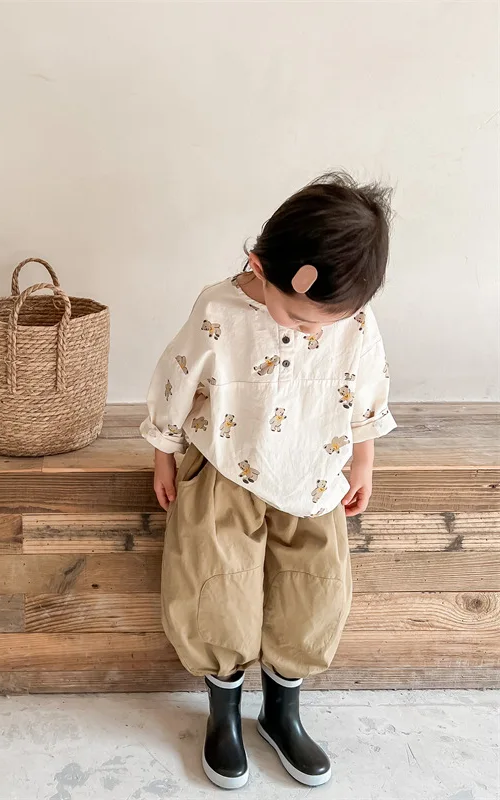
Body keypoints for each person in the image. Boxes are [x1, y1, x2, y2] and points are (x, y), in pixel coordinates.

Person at [140, 172, 395, 789]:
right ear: (259, 266)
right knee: (215, 588)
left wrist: (363, 460)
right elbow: (178, 378)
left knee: (314, 592)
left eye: (329, 321)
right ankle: (223, 714)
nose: (315, 331)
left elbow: (366, 386)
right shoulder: (218, 310)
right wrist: (164, 452)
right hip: (225, 469)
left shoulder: (352, 320)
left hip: (315, 473)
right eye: (302, 318)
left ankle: (282, 713)